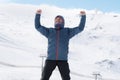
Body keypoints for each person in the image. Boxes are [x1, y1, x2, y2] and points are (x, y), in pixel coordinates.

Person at [35, 9, 86, 80]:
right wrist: (38, 14)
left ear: (63, 22)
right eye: (56, 20)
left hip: (63, 60)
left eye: (60, 19)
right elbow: (38, 27)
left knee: (66, 78)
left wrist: (83, 16)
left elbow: (80, 28)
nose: (58, 20)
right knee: (44, 78)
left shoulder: (67, 32)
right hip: (50, 59)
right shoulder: (50, 31)